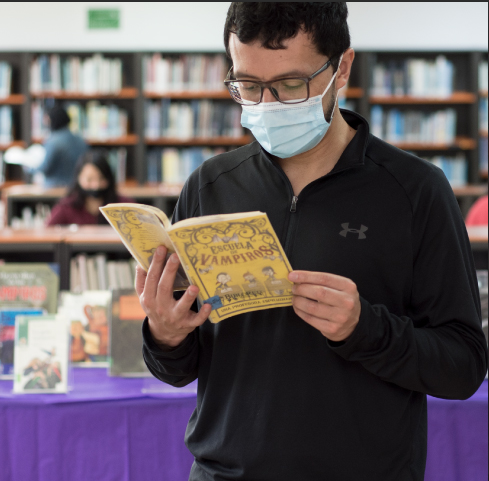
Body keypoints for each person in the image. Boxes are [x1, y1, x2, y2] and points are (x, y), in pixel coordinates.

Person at [135, 3, 488, 480]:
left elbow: (463, 365)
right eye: (248, 85)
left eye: (289, 85)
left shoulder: (415, 190)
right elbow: (179, 369)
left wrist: (366, 329)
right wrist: (165, 334)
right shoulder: (210, 185)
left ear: (341, 67)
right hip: (224, 471)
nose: (266, 104)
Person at [46, 150, 133, 226]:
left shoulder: (124, 206)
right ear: (78, 178)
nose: (96, 185)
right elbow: (47, 233)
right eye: (89, 179)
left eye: (101, 178)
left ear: (109, 179)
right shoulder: (66, 207)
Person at [35, 105, 88, 188]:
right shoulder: (80, 140)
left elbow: (46, 168)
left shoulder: (53, 141)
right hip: (76, 187)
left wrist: (29, 167)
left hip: (55, 188)